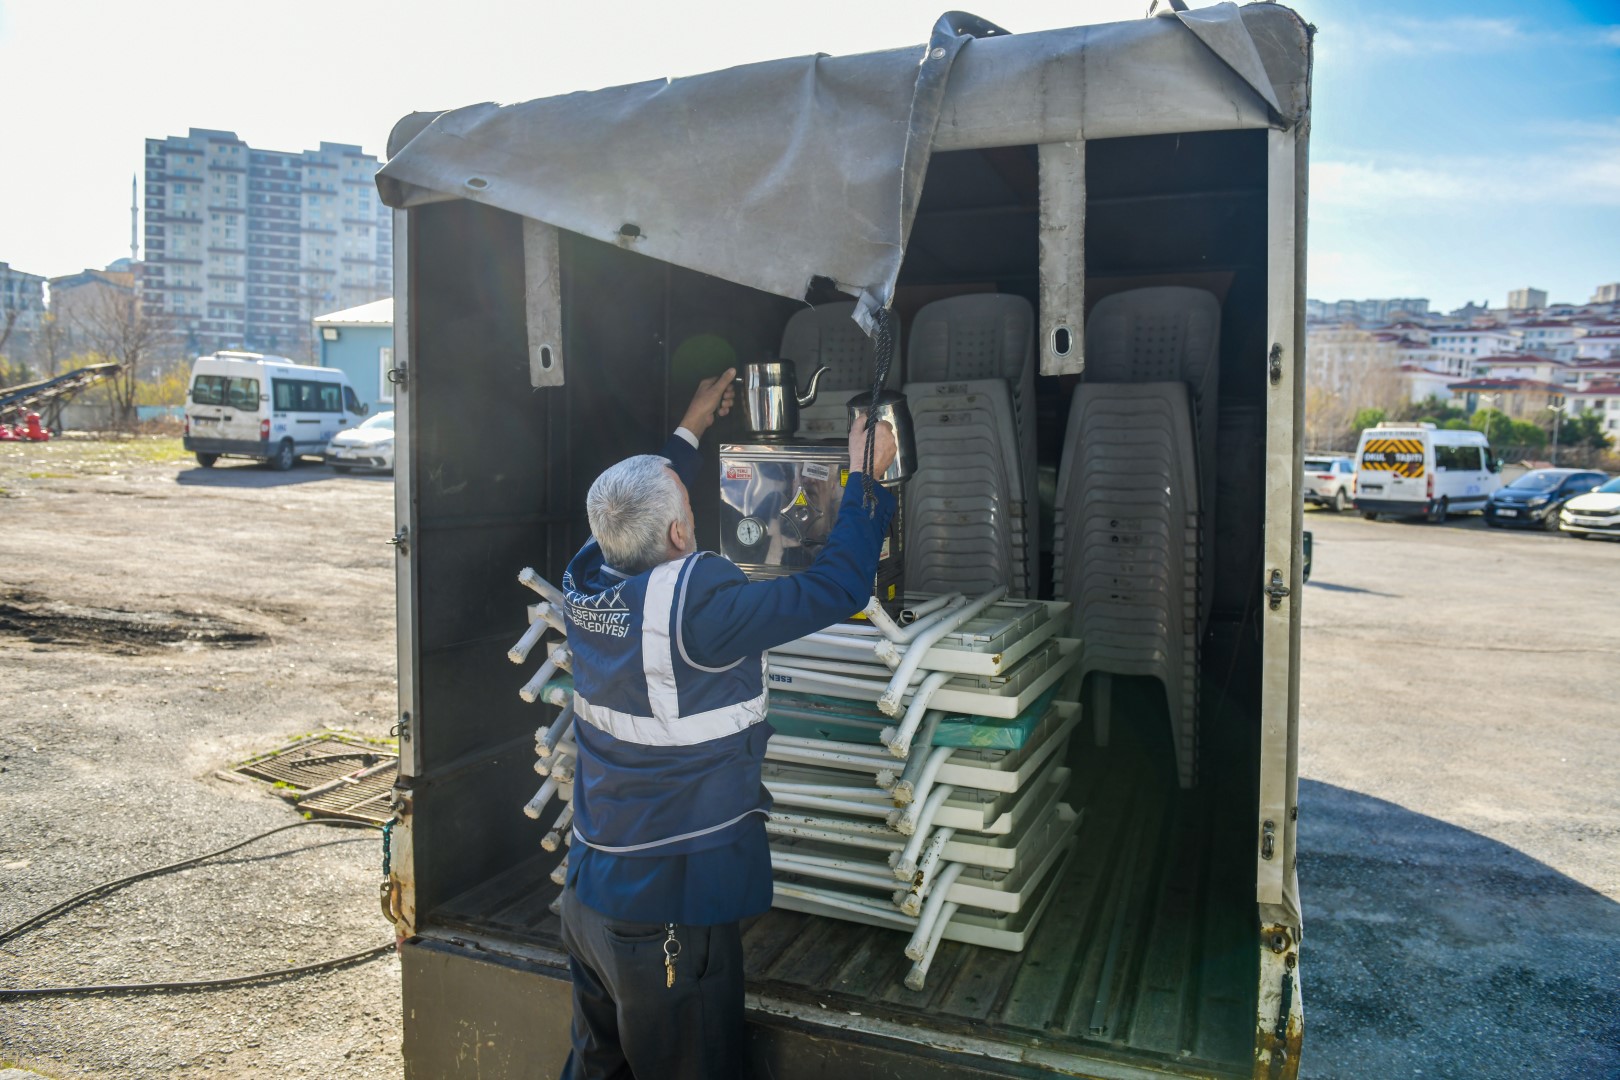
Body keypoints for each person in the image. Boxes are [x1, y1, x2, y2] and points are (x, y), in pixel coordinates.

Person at [557, 367, 898, 1080]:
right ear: (681, 531)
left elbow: (633, 506)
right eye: (686, 498)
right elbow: (837, 588)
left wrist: (692, 425)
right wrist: (865, 480)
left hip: (589, 897)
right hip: (667, 917)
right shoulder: (700, 617)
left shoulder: (587, 576)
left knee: (598, 1068)